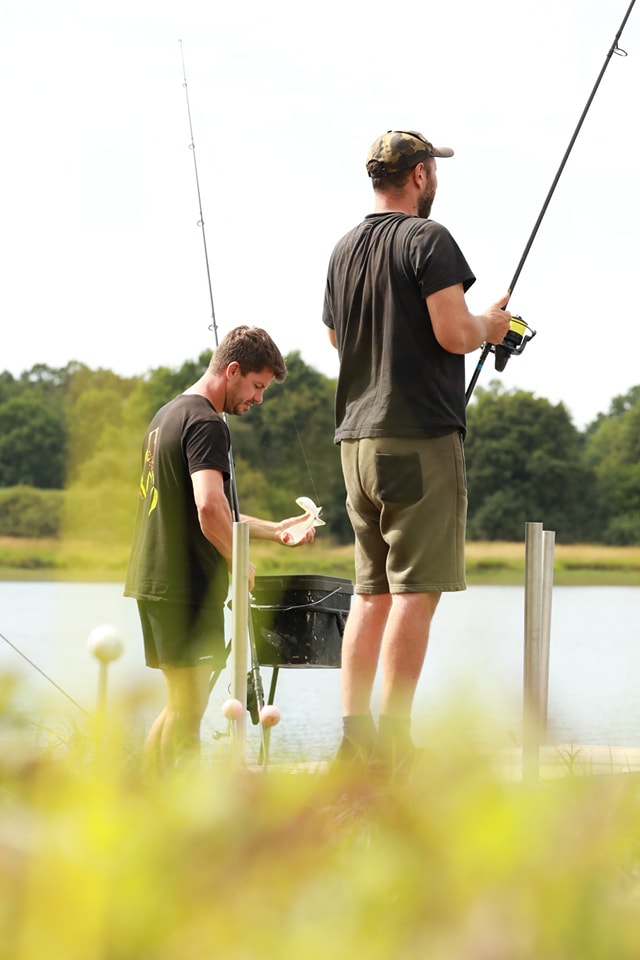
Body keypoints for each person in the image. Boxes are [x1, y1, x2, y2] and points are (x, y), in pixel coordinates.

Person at [322, 129, 511, 772]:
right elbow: (456, 332)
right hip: (416, 439)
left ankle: (355, 738)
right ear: (422, 175)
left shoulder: (344, 248)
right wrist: (493, 325)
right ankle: (397, 738)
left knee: (370, 591)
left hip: (355, 443)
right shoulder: (429, 240)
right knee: (414, 591)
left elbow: (333, 336)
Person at [124, 325, 315, 772]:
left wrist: (277, 529)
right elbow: (210, 507)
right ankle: (178, 814)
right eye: (256, 386)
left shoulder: (168, 416)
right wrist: (238, 559)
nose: (258, 399)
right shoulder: (209, 423)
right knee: (187, 712)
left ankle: (148, 796)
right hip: (183, 586)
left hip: (155, 583)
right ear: (233, 370)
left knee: (178, 706)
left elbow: (209, 509)